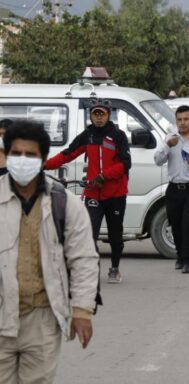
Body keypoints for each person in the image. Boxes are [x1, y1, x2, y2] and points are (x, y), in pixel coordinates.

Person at [0, 120, 99, 384]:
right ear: (6, 156)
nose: (22, 160)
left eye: (30, 155)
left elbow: (84, 260)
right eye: (16, 154)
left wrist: (82, 311)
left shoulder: (64, 203)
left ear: (43, 158)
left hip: (41, 319)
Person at [44, 98, 131, 283]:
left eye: (102, 114)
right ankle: (91, 270)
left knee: (115, 234)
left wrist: (103, 176)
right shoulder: (87, 136)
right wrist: (43, 165)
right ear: (91, 116)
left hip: (115, 194)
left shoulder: (118, 136)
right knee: (89, 234)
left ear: (108, 115)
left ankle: (115, 268)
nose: (99, 118)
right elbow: (67, 154)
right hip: (93, 193)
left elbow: (125, 164)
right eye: (95, 114)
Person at [154, 105, 189, 273]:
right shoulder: (170, 138)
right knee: (175, 224)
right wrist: (167, 146)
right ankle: (180, 255)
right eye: (179, 119)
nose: (183, 123)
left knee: (188, 224)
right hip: (173, 188)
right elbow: (157, 160)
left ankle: (188, 260)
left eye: (186, 119)